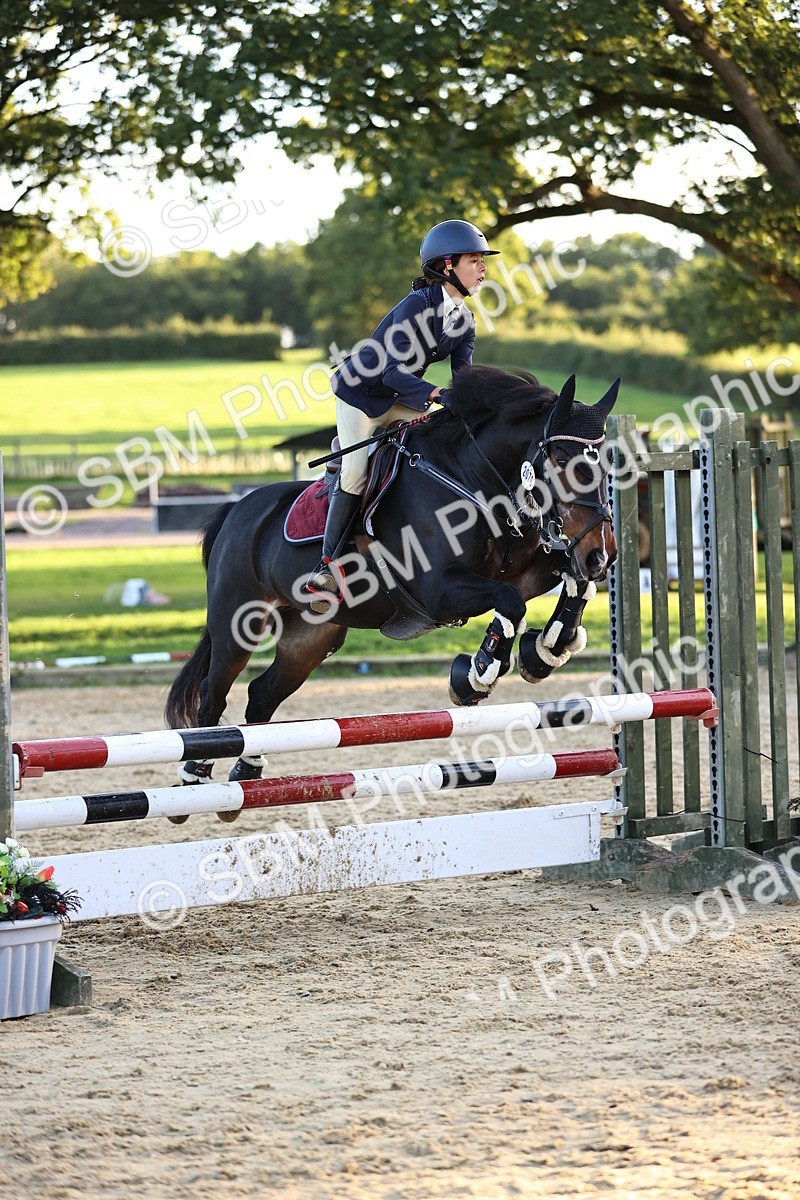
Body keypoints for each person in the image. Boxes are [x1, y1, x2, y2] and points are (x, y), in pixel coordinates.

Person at [303, 218, 500, 611]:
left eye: (482, 261)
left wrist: (476, 407)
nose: (483, 268)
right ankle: (326, 564)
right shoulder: (416, 307)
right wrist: (436, 393)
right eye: (475, 260)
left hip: (404, 396)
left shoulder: (464, 320)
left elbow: (462, 378)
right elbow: (391, 371)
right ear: (447, 266)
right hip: (363, 394)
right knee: (356, 472)